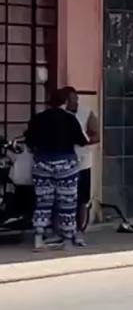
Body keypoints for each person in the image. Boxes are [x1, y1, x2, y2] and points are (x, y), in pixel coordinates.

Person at [26, 87, 90, 250]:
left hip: (42, 163)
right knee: (67, 203)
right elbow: (82, 141)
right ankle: (67, 238)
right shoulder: (70, 119)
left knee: (43, 201)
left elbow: (29, 140)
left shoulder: (38, 118)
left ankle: (39, 237)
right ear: (65, 101)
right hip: (66, 164)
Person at [65, 88, 98, 235]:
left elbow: (96, 135)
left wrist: (84, 140)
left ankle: (80, 227)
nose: (76, 103)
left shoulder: (86, 113)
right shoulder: (59, 114)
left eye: (76, 100)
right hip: (65, 160)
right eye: (72, 100)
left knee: (82, 197)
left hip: (82, 161)